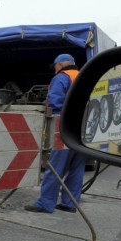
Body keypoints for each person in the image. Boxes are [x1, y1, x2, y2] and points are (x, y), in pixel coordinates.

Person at [25, 54, 84, 213]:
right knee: (77, 167)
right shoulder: (84, 76)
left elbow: (55, 102)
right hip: (84, 129)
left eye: (56, 66)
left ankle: (46, 203)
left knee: (55, 166)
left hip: (64, 127)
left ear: (60, 65)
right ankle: (70, 204)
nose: (56, 70)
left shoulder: (61, 78)